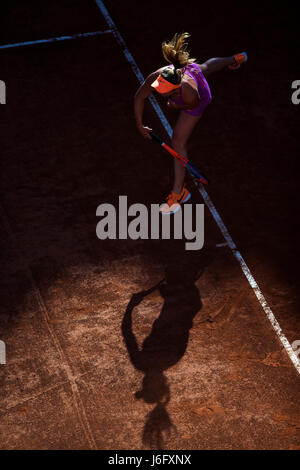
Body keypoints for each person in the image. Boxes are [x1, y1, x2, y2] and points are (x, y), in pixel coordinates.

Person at [134, 32, 247, 214]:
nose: (159, 91)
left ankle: (179, 194)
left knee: (178, 141)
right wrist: (140, 125)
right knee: (205, 67)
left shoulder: (191, 95)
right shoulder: (157, 76)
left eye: (164, 91)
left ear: (176, 88)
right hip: (190, 73)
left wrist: (172, 105)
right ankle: (234, 59)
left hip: (200, 98)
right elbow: (139, 96)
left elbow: (183, 105)